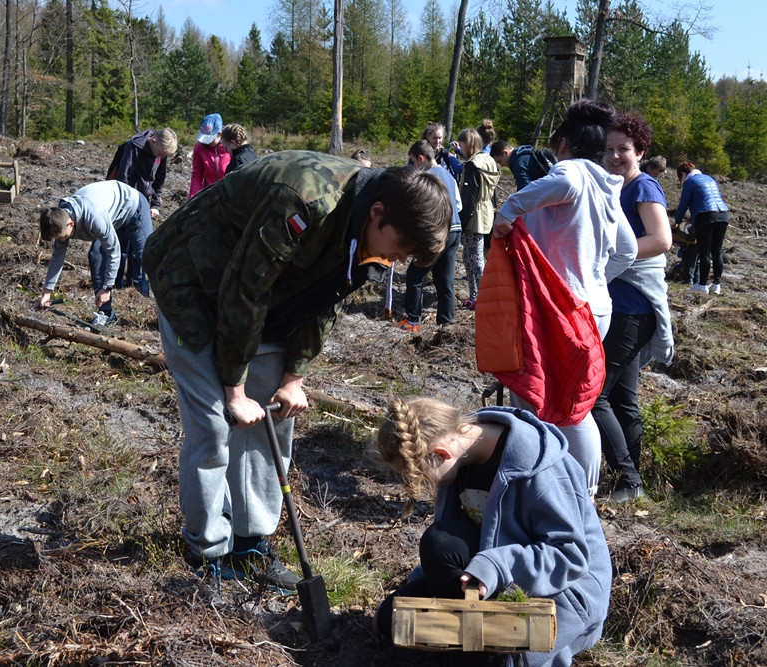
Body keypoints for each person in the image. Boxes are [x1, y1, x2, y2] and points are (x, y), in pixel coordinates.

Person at [141, 151, 452, 595]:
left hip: (265, 300)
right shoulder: (305, 201)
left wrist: (293, 378)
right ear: (379, 213)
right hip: (190, 281)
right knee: (213, 424)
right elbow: (243, 290)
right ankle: (207, 552)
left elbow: (325, 296)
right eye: (399, 249)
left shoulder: (369, 224)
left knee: (272, 419)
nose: (398, 261)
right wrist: (235, 389)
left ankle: (249, 544)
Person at [372, 398, 612, 666]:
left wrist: (496, 566)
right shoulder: (461, 461)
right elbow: (457, 541)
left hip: (561, 593)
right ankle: (473, 646)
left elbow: (571, 556)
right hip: (494, 580)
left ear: (441, 454)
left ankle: (485, 654)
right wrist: (423, 580)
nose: (420, 485)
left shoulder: (541, 467)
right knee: (389, 618)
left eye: (419, 477)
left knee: (438, 543)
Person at [492, 99, 637, 497]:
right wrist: (596, 278)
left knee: (558, 401)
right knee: (574, 399)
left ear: (563, 145)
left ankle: (566, 492)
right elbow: (625, 249)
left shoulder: (571, 174)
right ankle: (560, 487)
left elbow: (527, 200)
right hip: (593, 307)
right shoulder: (605, 185)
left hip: (560, 308)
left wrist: (505, 215)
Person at [597, 113, 674, 503]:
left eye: (623, 149)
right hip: (621, 305)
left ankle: (628, 480)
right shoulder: (614, 187)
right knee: (624, 400)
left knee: (594, 397)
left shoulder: (643, 186)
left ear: (640, 151)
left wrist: (606, 257)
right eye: (609, 149)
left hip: (632, 308)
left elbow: (661, 239)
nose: (614, 156)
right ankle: (631, 479)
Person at [37, 180, 153, 325]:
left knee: (149, 258)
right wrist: (47, 292)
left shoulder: (95, 217)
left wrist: (107, 288)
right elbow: (57, 257)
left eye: (62, 237)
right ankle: (106, 313)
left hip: (133, 207)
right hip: (111, 214)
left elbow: (114, 253)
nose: (62, 240)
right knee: (96, 255)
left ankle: (163, 309)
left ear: (70, 223)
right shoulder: (59, 218)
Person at [394, 140, 463, 332]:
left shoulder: (427, 178)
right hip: (455, 230)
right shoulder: (448, 175)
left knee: (415, 276)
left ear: (421, 158)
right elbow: (458, 205)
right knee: (444, 279)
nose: (414, 167)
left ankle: (413, 321)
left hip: (439, 234)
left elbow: (421, 210)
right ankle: (446, 322)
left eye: (414, 162)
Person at [106, 127, 178, 290]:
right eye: (159, 153)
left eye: (163, 155)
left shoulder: (161, 152)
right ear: (153, 141)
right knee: (122, 243)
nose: (161, 156)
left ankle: (136, 282)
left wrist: (155, 204)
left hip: (144, 200)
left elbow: (159, 180)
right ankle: (116, 282)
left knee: (140, 244)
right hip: (127, 199)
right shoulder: (134, 146)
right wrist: (123, 205)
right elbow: (123, 176)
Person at [457, 127, 501, 310]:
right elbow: (493, 194)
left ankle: (484, 299)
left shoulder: (473, 165)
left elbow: (469, 197)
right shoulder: (489, 160)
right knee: (470, 258)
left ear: (469, 143)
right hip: (486, 212)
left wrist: (461, 221)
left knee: (475, 260)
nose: (460, 148)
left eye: (462, 144)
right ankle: (475, 296)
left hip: (474, 216)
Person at [674, 161, 731, 295]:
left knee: (704, 251)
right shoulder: (709, 178)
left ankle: (702, 285)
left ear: (683, 174)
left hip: (706, 217)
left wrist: (677, 222)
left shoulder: (690, 181)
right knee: (717, 251)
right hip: (723, 214)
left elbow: (683, 204)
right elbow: (706, 199)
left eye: (680, 177)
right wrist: (693, 217)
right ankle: (716, 285)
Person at [490, 139, 557, 191]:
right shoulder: (528, 153)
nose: (501, 165)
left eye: (500, 161)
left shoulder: (518, 164)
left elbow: (525, 192)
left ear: (505, 153)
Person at [189, 113, 230, 197]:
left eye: (209, 139)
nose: (206, 142)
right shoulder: (199, 147)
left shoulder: (230, 146)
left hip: (228, 193)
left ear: (220, 134)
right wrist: (192, 198)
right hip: (209, 193)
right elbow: (197, 175)